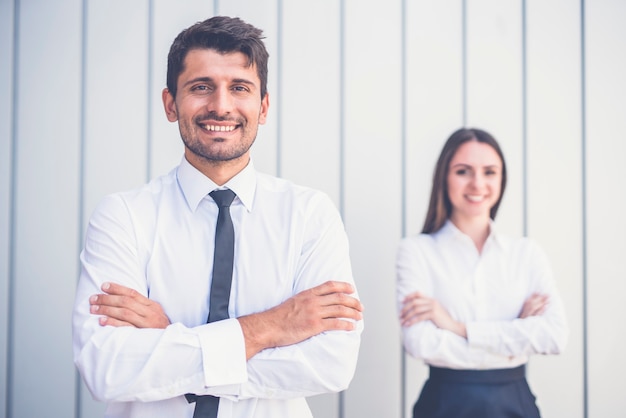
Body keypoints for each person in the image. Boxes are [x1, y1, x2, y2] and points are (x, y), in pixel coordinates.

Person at [72, 16, 363, 418]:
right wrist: (272, 327)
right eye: (201, 87)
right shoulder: (123, 217)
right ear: (171, 103)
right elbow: (106, 368)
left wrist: (170, 341)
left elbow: (332, 364)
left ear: (263, 106)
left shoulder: (310, 215)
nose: (221, 106)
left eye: (239, 88)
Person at [396, 127, 568, 417]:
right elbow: (421, 343)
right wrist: (516, 334)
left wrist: (456, 327)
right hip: (444, 404)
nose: (477, 183)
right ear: (444, 177)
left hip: (515, 404)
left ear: (502, 179)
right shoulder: (416, 251)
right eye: (463, 171)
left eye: (489, 172)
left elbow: (554, 336)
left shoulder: (526, 254)